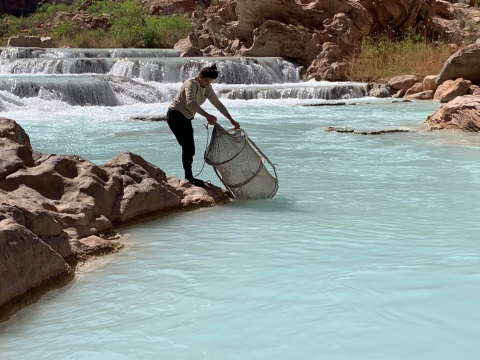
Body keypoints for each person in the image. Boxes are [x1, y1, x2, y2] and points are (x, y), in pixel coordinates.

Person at [167, 63, 240, 186]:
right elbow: (191, 103)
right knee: (188, 147)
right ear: (200, 76)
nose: (207, 84)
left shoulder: (208, 88)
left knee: (190, 149)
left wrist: (231, 119)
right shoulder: (191, 83)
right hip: (175, 115)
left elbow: (218, 104)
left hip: (186, 118)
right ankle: (188, 177)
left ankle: (188, 176)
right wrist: (208, 116)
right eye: (206, 81)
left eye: (210, 82)